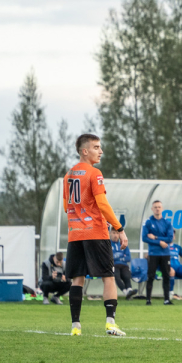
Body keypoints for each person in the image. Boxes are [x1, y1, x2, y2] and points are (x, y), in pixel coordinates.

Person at [63, 134, 128, 336]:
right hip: (95, 233)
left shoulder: (68, 176)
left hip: (75, 234)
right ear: (85, 151)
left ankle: (75, 327)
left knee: (77, 278)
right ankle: (110, 323)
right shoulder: (94, 173)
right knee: (108, 276)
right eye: (96, 147)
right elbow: (102, 204)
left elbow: (67, 207)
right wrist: (119, 228)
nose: (101, 151)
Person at [143, 201, 174, 306]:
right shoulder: (148, 222)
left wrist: (156, 238)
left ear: (162, 208)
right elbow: (144, 237)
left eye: (159, 207)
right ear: (152, 209)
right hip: (153, 253)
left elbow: (170, 238)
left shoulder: (167, 223)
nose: (157, 209)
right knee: (150, 276)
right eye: (155, 207)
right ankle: (148, 300)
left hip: (165, 254)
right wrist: (160, 242)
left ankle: (166, 299)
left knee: (166, 276)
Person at [110, 230, 137, 300]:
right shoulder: (108, 245)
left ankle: (129, 291)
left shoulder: (123, 244)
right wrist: (121, 257)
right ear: (110, 234)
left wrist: (117, 257)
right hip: (114, 265)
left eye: (117, 233)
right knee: (116, 276)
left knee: (127, 275)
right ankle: (126, 293)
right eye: (114, 233)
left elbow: (128, 257)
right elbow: (109, 257)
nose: (115, 235)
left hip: (123, 265)